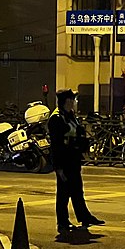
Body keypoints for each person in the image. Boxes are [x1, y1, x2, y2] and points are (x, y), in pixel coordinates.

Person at [48, 89, 104, 234]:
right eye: (72, 100)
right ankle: (62, 222)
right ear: (66, 102)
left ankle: (84, 216)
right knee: (63, 193)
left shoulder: (70, 116)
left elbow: (77, 132)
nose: (74, 102)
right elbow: (56, 144)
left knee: (77, 190)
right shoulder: (56, 118)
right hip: (64, 160)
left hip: (73, 159)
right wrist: (58, 167)